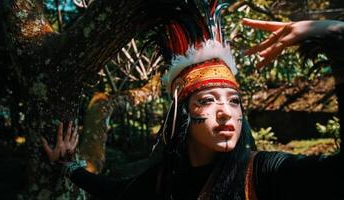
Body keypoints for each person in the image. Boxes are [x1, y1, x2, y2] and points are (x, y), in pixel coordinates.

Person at [42, 1, 344, 199]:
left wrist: (335, 36)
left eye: (234, 101)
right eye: (209, 100)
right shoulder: (162, 182)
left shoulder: (264, 173)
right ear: (183, 114)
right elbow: (115, 191)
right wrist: (70, 167)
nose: (226, 113)